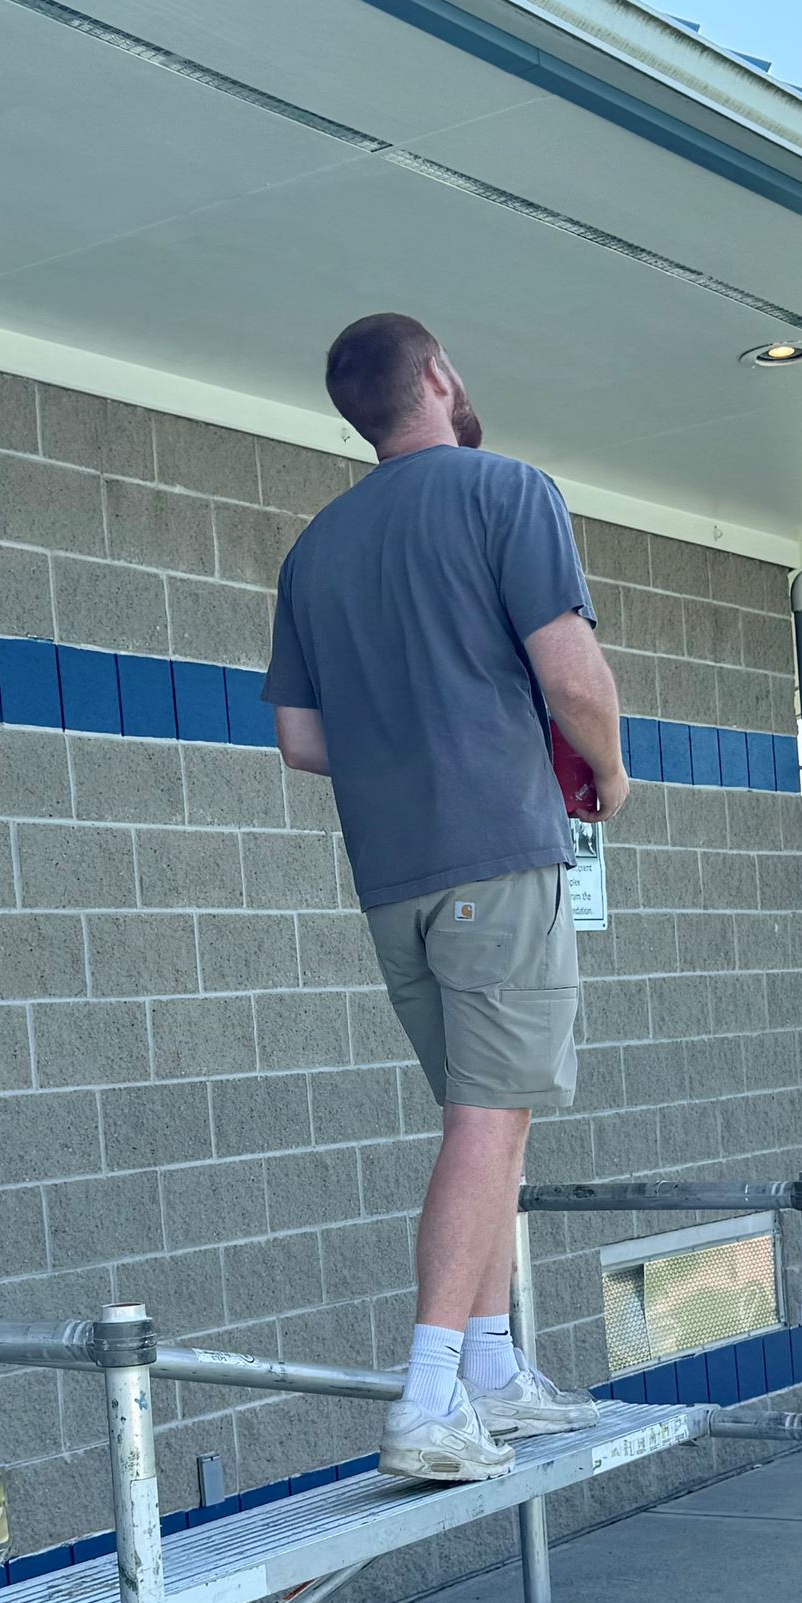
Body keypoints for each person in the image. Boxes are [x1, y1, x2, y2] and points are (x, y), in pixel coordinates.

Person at [263, 313, 629, 1484]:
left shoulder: (314, 551)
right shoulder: (506, 492)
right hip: (497, 853)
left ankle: (489, 1368)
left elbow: (302, 742)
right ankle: (429, 1395)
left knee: (496, 1111)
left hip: (392, 878)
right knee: (488, 1119)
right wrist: (608, 774)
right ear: (435, 377)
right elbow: (572, 673)